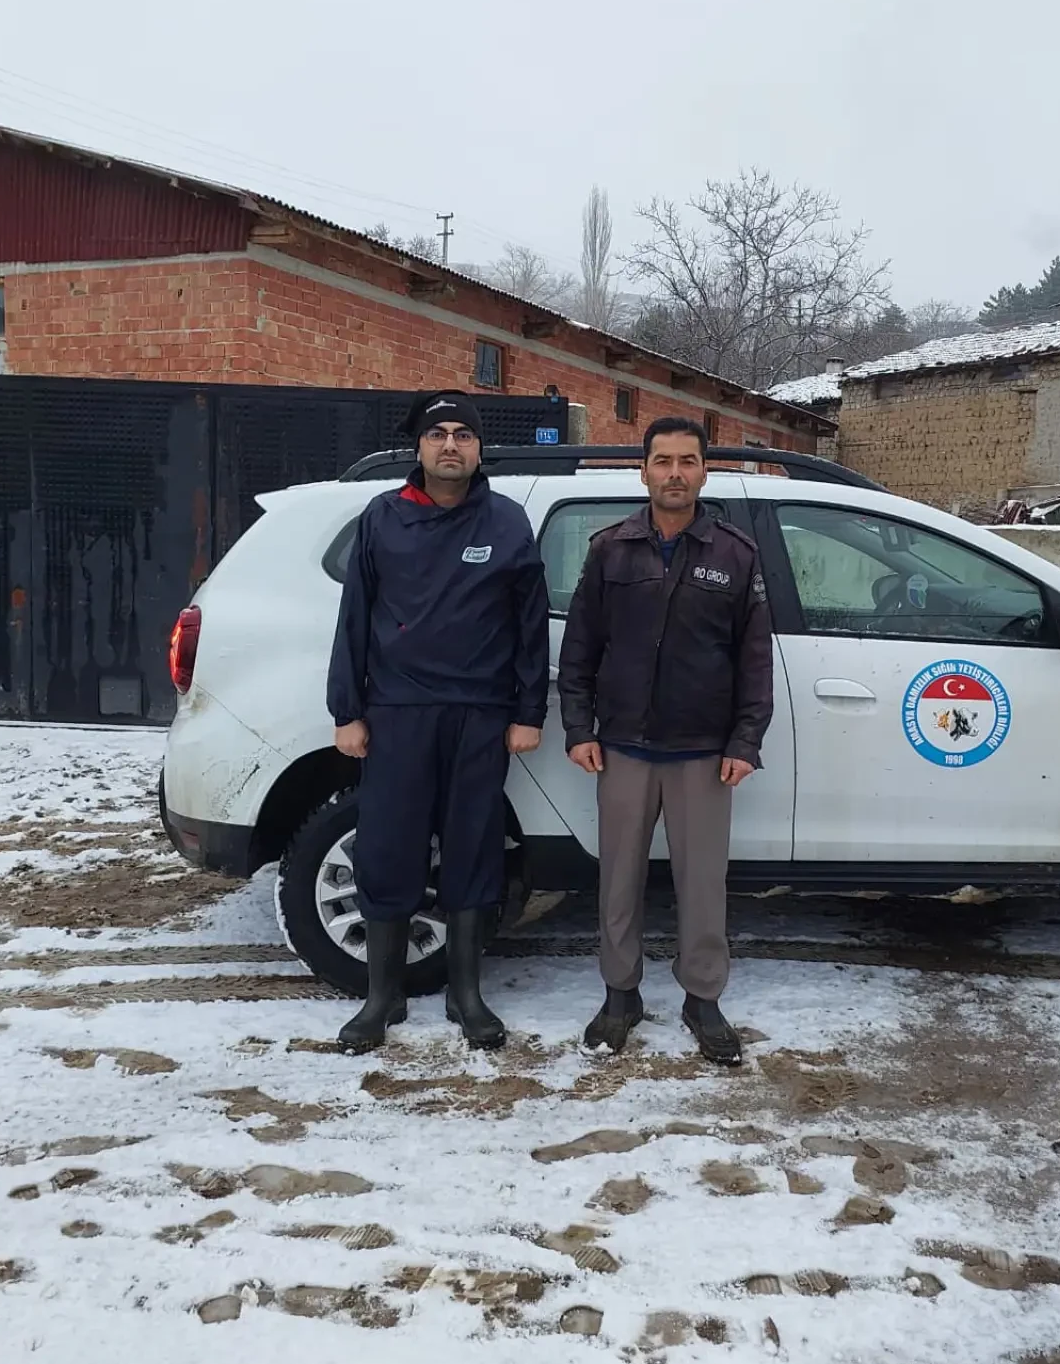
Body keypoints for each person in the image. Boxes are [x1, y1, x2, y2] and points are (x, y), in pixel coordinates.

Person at [327, 391, 550, 1053]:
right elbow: (353, 620)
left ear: (480, 449)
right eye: (438, 434)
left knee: (474, 848)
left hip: (480, 717)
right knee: (388, 849)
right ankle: (382, 996)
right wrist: (348, 710)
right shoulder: (381, 518)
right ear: (420, 447)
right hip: (396, 714)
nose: (450, 444)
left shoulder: (507, 523)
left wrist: (527, 712)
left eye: (462, 435)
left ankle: (466, 994)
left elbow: (530, 628)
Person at [557, 417, 773, 1065]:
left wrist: (745, 740)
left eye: (686, 461)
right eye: (662, 461)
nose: (674, 472)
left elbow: (753, 660)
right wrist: (578, 728)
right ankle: (620, 994)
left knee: (703, 884)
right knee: (616, 881)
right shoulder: (610, 550)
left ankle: (702, 998)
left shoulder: (735, 554)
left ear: (704, 471)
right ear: (643, 471)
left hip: (704, 753)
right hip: (622, 746)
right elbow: (580, 650)